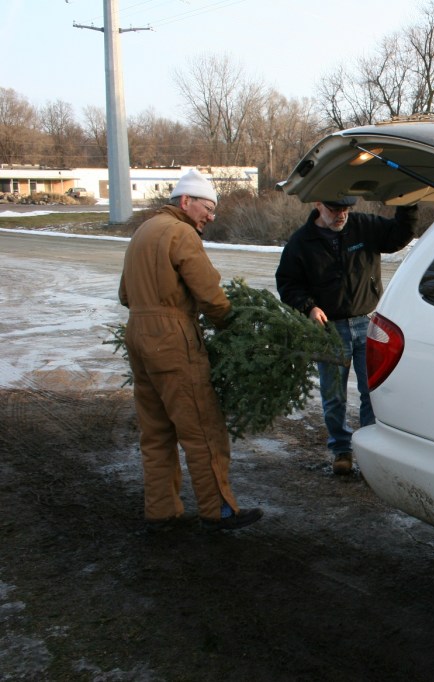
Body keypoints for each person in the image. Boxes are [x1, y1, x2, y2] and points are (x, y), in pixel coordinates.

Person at [118, 169, 263, 531]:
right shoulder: (181, 233)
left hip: (138, 335)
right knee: (202, 427)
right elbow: (209, 292)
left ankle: (162, 511)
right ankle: (219, 510)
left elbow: (124, 295)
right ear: (185, 202)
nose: (211, 217)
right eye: (207, 208)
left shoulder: (142, 232)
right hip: (172, 340)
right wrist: (233, 324)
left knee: (155, 432)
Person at [276, 196, 418, 475]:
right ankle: (341, 450)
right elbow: (288, 282)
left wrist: (408, 203)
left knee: (372, 393)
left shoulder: (364, 226)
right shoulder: (301, 242)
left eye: (345, 209)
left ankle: (369, 454)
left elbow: (399, 235)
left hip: (367, 324)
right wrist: (309, 307)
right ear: (318, 205)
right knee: (333, 395)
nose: (341, 215)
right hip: (328, 329)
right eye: (334, 209)